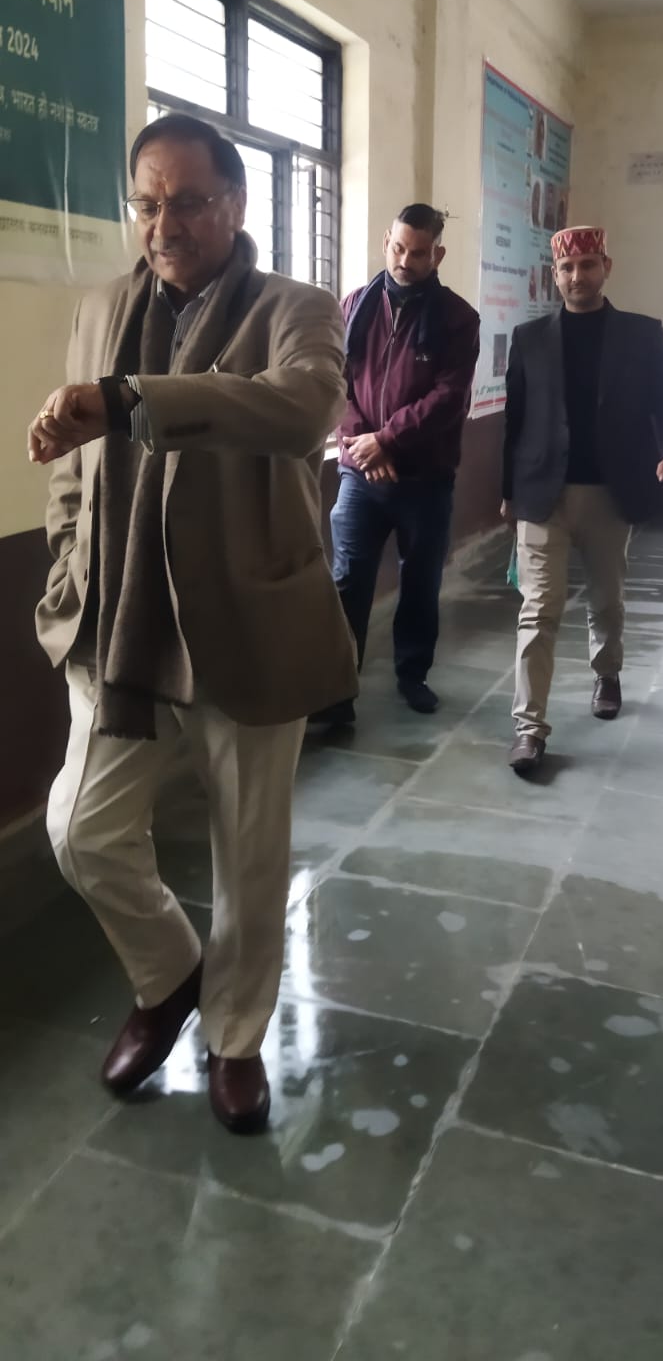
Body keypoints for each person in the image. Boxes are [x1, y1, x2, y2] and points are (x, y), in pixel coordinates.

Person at [28, 113, 357, 1132]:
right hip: (120, 624)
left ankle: (236, 1037)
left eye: (189, 202)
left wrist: (129, 399)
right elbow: (72, 469)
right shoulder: (101, 309)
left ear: (237, 204)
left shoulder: (296, 310)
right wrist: (69, 559)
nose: (164, 225)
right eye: (147, 203)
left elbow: (301, 410)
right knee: (80, 830)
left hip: (249, 622)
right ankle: (170, 974)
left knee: (249, 855)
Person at [501, 224, 663, 775]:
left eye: (587, 265)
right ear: (554, 274)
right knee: (538, 610)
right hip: (543, 493)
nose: (577, 276)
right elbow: (515, 422)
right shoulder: (529, 338)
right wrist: (507, 494)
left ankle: (606, 672)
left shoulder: (642, 335)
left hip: (611, 492)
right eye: (567, 268)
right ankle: (529, 728)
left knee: (606, 599)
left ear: (606, 267)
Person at [310, 205, 480, 726]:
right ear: (387, 240)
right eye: (399, 248)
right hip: (360, 474)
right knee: (348, 580)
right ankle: (336, 690)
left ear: (438, 255)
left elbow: (449, 398)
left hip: (425, 479)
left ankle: (413, 675)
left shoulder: (458, 319)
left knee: (420, 582)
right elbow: (336, 382)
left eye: (419, 253)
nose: (405, 261)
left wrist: (386, 441)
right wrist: (363, 444)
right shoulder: (353, 305)